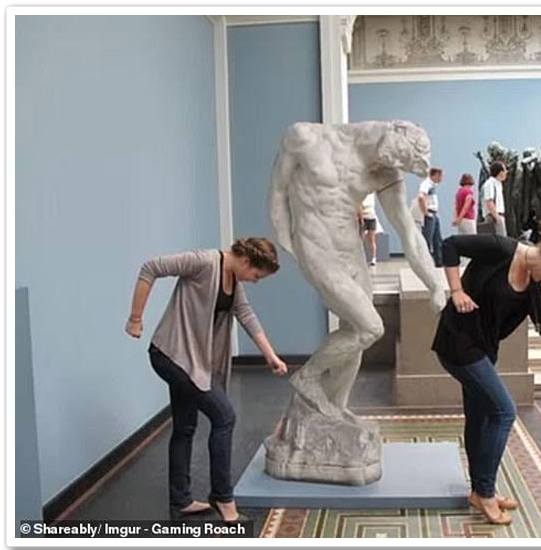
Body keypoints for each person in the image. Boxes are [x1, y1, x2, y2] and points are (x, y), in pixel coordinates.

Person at [269, 120, 446, 421]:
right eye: (397, 157)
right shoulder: (304, 137)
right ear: (394, 131)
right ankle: (307, 377)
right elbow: (278, 191)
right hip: (316, 245)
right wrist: (289, 242)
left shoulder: (386, 173)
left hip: (351, 251)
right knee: (370, 327)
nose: (393, 166)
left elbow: (408, 232)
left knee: (355, 330)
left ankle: (335, 409)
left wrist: (435, 285)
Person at [431, 221, 541, 526]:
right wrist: (456, 290)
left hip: (484, 351)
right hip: (457, 342)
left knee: (480, 417)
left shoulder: (532, 286)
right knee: (504, 411)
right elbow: (450, 244)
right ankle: (485, 493)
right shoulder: (500, 249)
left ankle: (479, 490)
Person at [125, 238, 288, 522]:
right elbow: (151, 267)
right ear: (246, 261)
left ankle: (181, 501)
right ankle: (223, 497)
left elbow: (246, 315)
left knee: (185, 427)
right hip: (170, 355)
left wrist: (270, 355)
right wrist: (135, 318)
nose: (255, 281)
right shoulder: (203, 261)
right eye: (257, 275)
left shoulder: (233, 280)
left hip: (190, 361)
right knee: (225, 416)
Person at [418, 167, 444, 267]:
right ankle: (425, 262)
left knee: (437, 239)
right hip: (429, 213)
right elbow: (421, 197)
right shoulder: (426, 184)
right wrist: (425, 212)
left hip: (434, 214)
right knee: (427, 239)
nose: (441, 179)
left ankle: (439, 262)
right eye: (440, 176)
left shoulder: (432, 185)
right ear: (436, 175)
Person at [480, 161, 508, 236]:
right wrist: (496, 217)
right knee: (499, 239)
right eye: (505, 170)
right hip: (493, 216)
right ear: (500, 172)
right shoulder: (490, 183)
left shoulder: (498, 184)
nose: (506, 172)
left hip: (498, 215)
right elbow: (489, 201)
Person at [360, 192, 379, 265]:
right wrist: (361, 219)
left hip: (371, 218)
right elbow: (360, 206)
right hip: (363, 218)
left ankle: (373, 258)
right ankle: (360, 258)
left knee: (372, 239)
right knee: (361, 239)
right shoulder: (361, 195)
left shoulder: (372, 195)